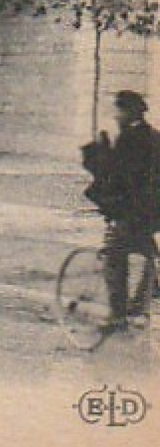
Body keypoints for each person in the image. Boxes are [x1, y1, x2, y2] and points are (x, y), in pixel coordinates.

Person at [81, 90, 160, 333]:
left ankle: (118, 317)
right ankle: (140, 310)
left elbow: (116, 178)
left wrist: (96, 155)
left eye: (119, 111)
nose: (116, 117)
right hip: (152, 212)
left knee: (114, 257)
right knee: (147, 254)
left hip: (130, 211)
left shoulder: (128, 140)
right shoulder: (155, 137)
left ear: (128, 113)